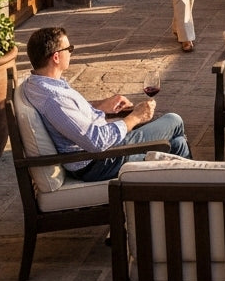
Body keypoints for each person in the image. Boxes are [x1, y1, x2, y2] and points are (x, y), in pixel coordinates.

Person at [21, 26, 191, 181]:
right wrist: (135, 117)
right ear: (56, 57)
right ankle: (197, 188)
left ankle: (189, 190)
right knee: (174, 121)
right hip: (99, 162)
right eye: (69, 49)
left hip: (97, 154)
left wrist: (100, 106)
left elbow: (69, 117)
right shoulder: (53, 99)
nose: (71, 53)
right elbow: (95, 141)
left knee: (177, 144)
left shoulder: (37, 83)